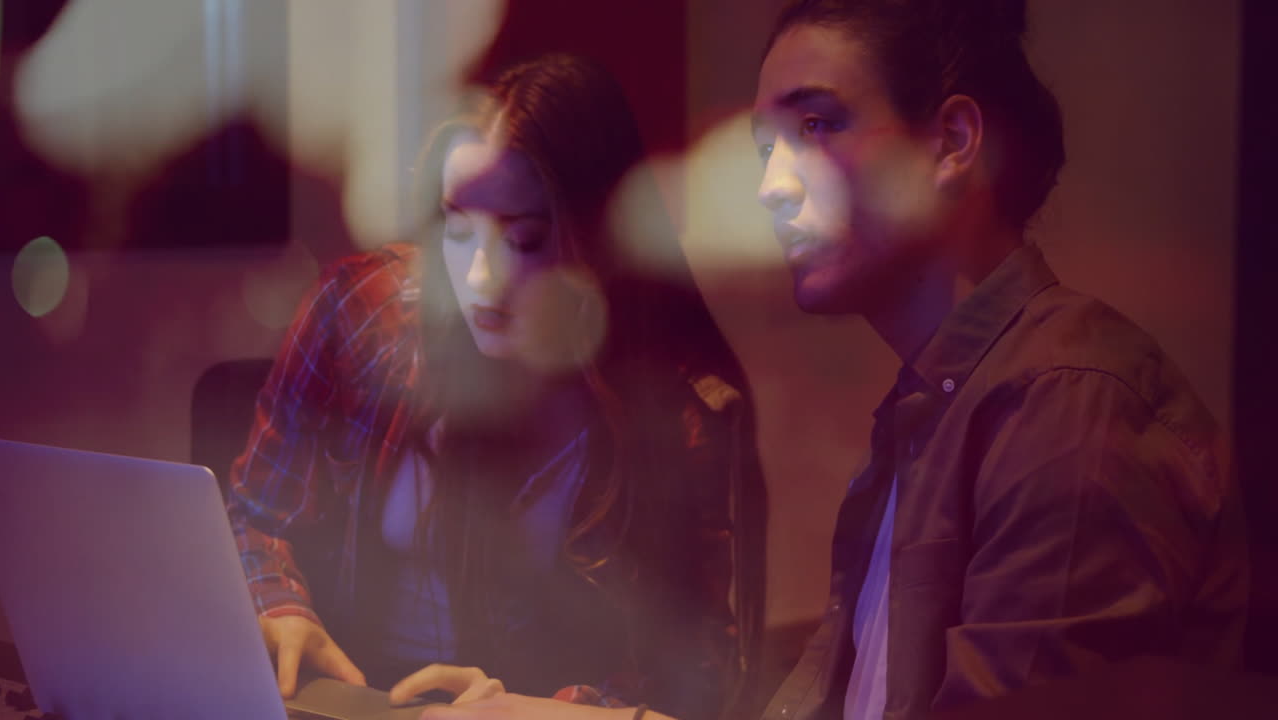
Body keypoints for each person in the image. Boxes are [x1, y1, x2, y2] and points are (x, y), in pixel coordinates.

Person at [410, 1, 1248, 719]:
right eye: (766, 144)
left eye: (816, 125)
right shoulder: (934, 408)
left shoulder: (1065, 405)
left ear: (952, 142)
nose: (770, 182)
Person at [226, 53, 766, 720]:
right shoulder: (360, 309)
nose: (479, 277)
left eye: (527, 239)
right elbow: (257, 513)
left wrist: (546, 709)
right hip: (354, 703)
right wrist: (279, 603)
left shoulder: (675, 413)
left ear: (598, 237)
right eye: (457, 227)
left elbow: (696, 674)